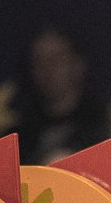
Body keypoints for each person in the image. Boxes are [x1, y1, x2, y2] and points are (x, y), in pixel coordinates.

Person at [18, 27, 104, 159]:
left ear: (78, 64)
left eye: (56, 59)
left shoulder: (103, 122)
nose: (48, 68)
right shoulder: (20, 137)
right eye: (39, 61)